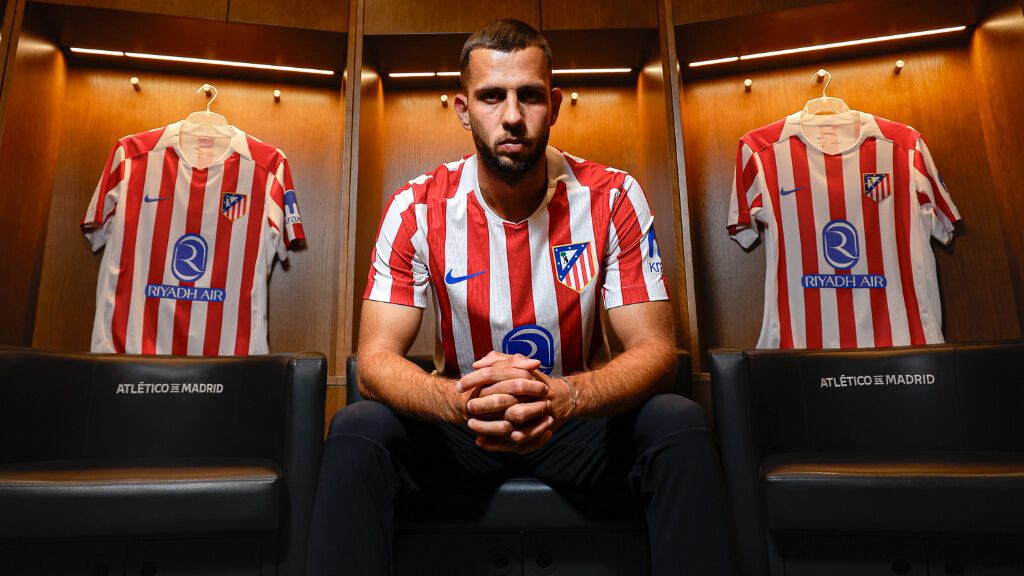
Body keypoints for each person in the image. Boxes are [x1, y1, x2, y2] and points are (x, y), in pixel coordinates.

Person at [306, 18, 737, 576]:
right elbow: (376, 362)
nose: (512, 115)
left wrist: (568, 398)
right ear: (463, 108)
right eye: (491, 96)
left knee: (678, 420)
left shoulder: (612, 197)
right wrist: (459, 403)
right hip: (464, 425)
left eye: (529, 95)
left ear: (553, 104)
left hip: (576, 421)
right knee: (358, 428)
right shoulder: (415, 207)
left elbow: (655, 351)